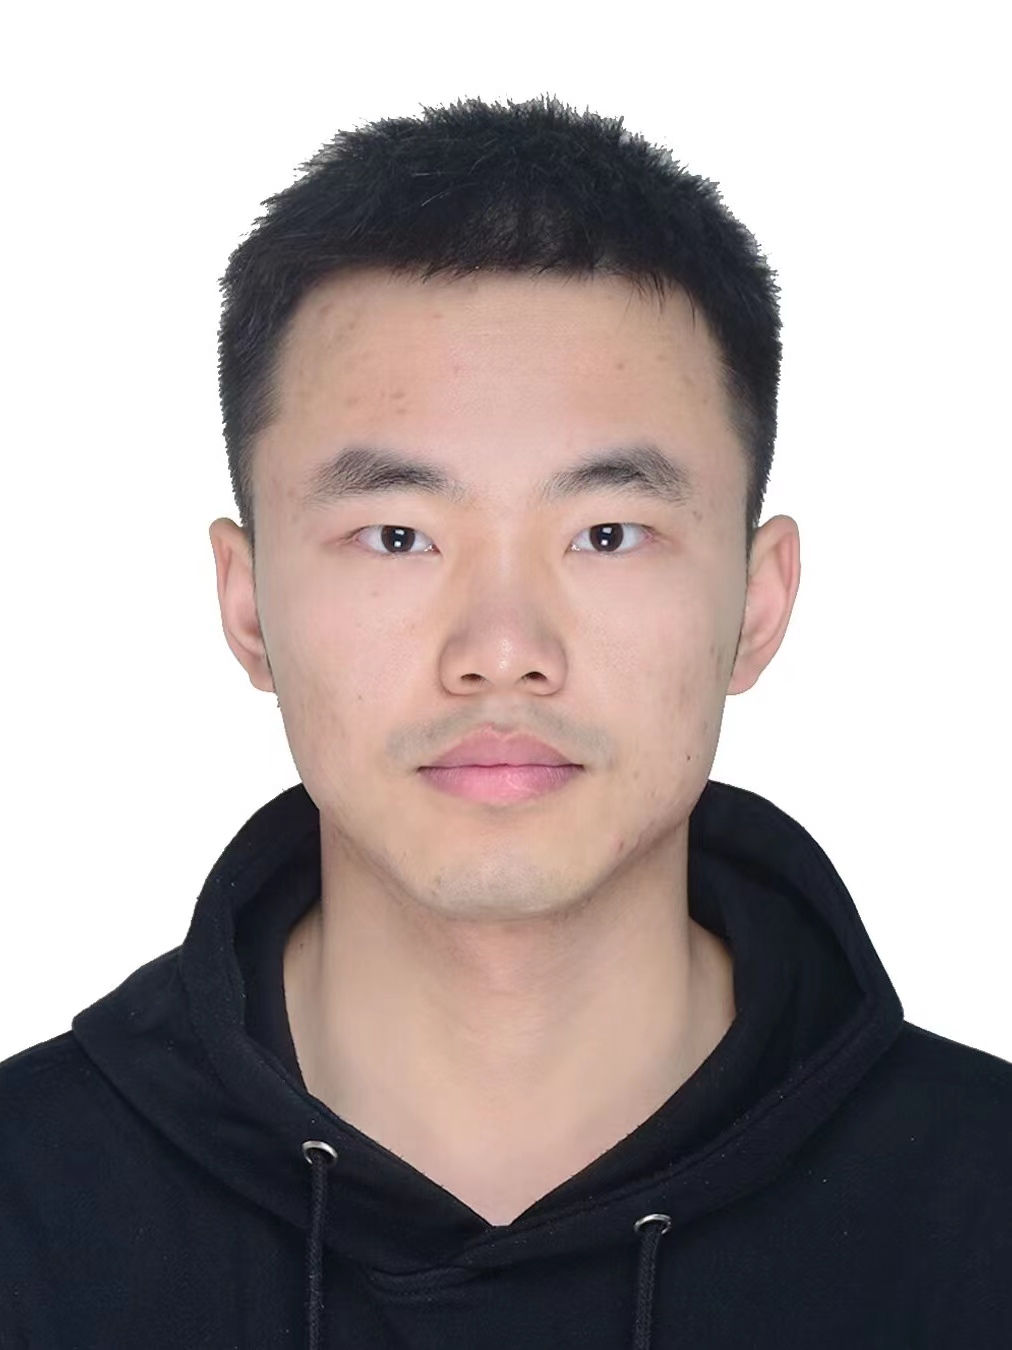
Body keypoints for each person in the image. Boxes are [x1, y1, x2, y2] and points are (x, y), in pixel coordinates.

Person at [1, 93, 1009, 1350]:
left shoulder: (982, 1215)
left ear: (756, 606)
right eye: (396, 535)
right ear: (248, 606)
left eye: (607, 533)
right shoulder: (29, 1214)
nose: (500, 651)